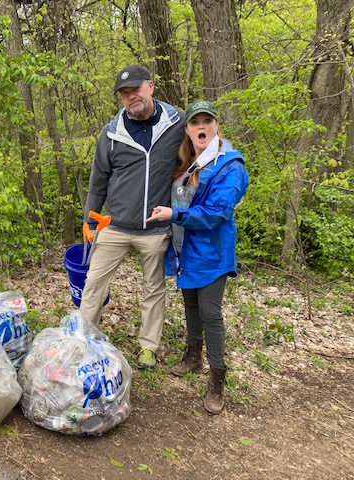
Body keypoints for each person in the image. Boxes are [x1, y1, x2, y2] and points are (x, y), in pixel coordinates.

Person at [146, 100, 249, 414]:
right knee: (189, 302)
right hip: (184, 249)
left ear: (216, 125)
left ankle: (217, 378)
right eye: (195, 123)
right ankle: (193, 357)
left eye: (207, 121)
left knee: (210, 312)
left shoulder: (230, 164)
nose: (201, 127)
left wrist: (174, 214)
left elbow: (218, 212)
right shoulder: (186, 160)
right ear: (187, 129)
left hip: (212, 252)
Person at [80, 64, 185, 369]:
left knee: (153, 289)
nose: (131, 97)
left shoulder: (176, 124)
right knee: (93, 284)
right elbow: (98, 179)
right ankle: (84, 339)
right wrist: (90, 220)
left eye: (136, 89)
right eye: (124, 93)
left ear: (151, 87)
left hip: (155, 228)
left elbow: (203, 147)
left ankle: (148, 348)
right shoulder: (112, 133)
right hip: (114, 225)